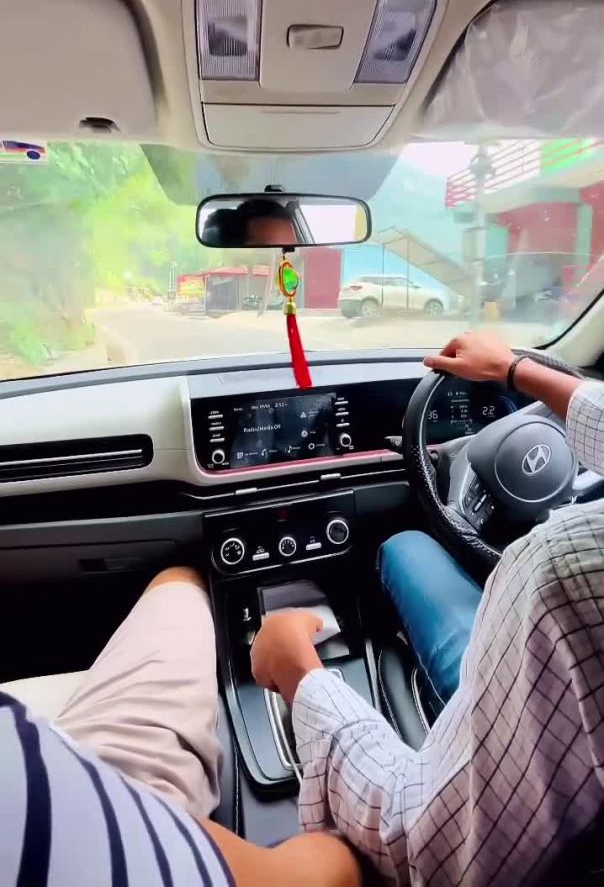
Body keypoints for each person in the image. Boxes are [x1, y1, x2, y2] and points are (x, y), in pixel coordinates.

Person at [251, 331, 604, 885]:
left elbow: (421, 843)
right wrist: (514, 371)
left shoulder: (564, 573)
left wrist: (297, 671)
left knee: (404, 546)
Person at [2, 565, 361, 886]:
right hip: (94, 807)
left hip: (52, 783)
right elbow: (328, 868)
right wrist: (302, 673)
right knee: (178, 583)